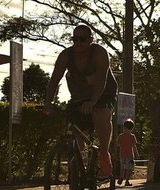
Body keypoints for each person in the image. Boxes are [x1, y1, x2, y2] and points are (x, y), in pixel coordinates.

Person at [46, 24, 116, 179]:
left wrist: (93, 101)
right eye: (75, 39)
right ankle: (75, 180)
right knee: (75, 131)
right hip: (79, 96)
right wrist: (48, 102)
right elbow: (54, 79)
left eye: (82, 39)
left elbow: (101, 80)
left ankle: (104, 153)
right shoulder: (66, 55)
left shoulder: (99, 53)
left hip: (103, 93)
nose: (78, 43)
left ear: (90, 39)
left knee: (101, 113)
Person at [117, 118, 138, 187]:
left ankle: (121, 176)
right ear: (132, 129)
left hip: (122, 154)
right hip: (130, 155)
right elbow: (134, 146)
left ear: (124, 127)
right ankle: (127, 181)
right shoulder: (132, 136)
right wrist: (137, 154)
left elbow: (117, 144)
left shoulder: (120, 136)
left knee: (122, 168)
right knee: (129, 169)